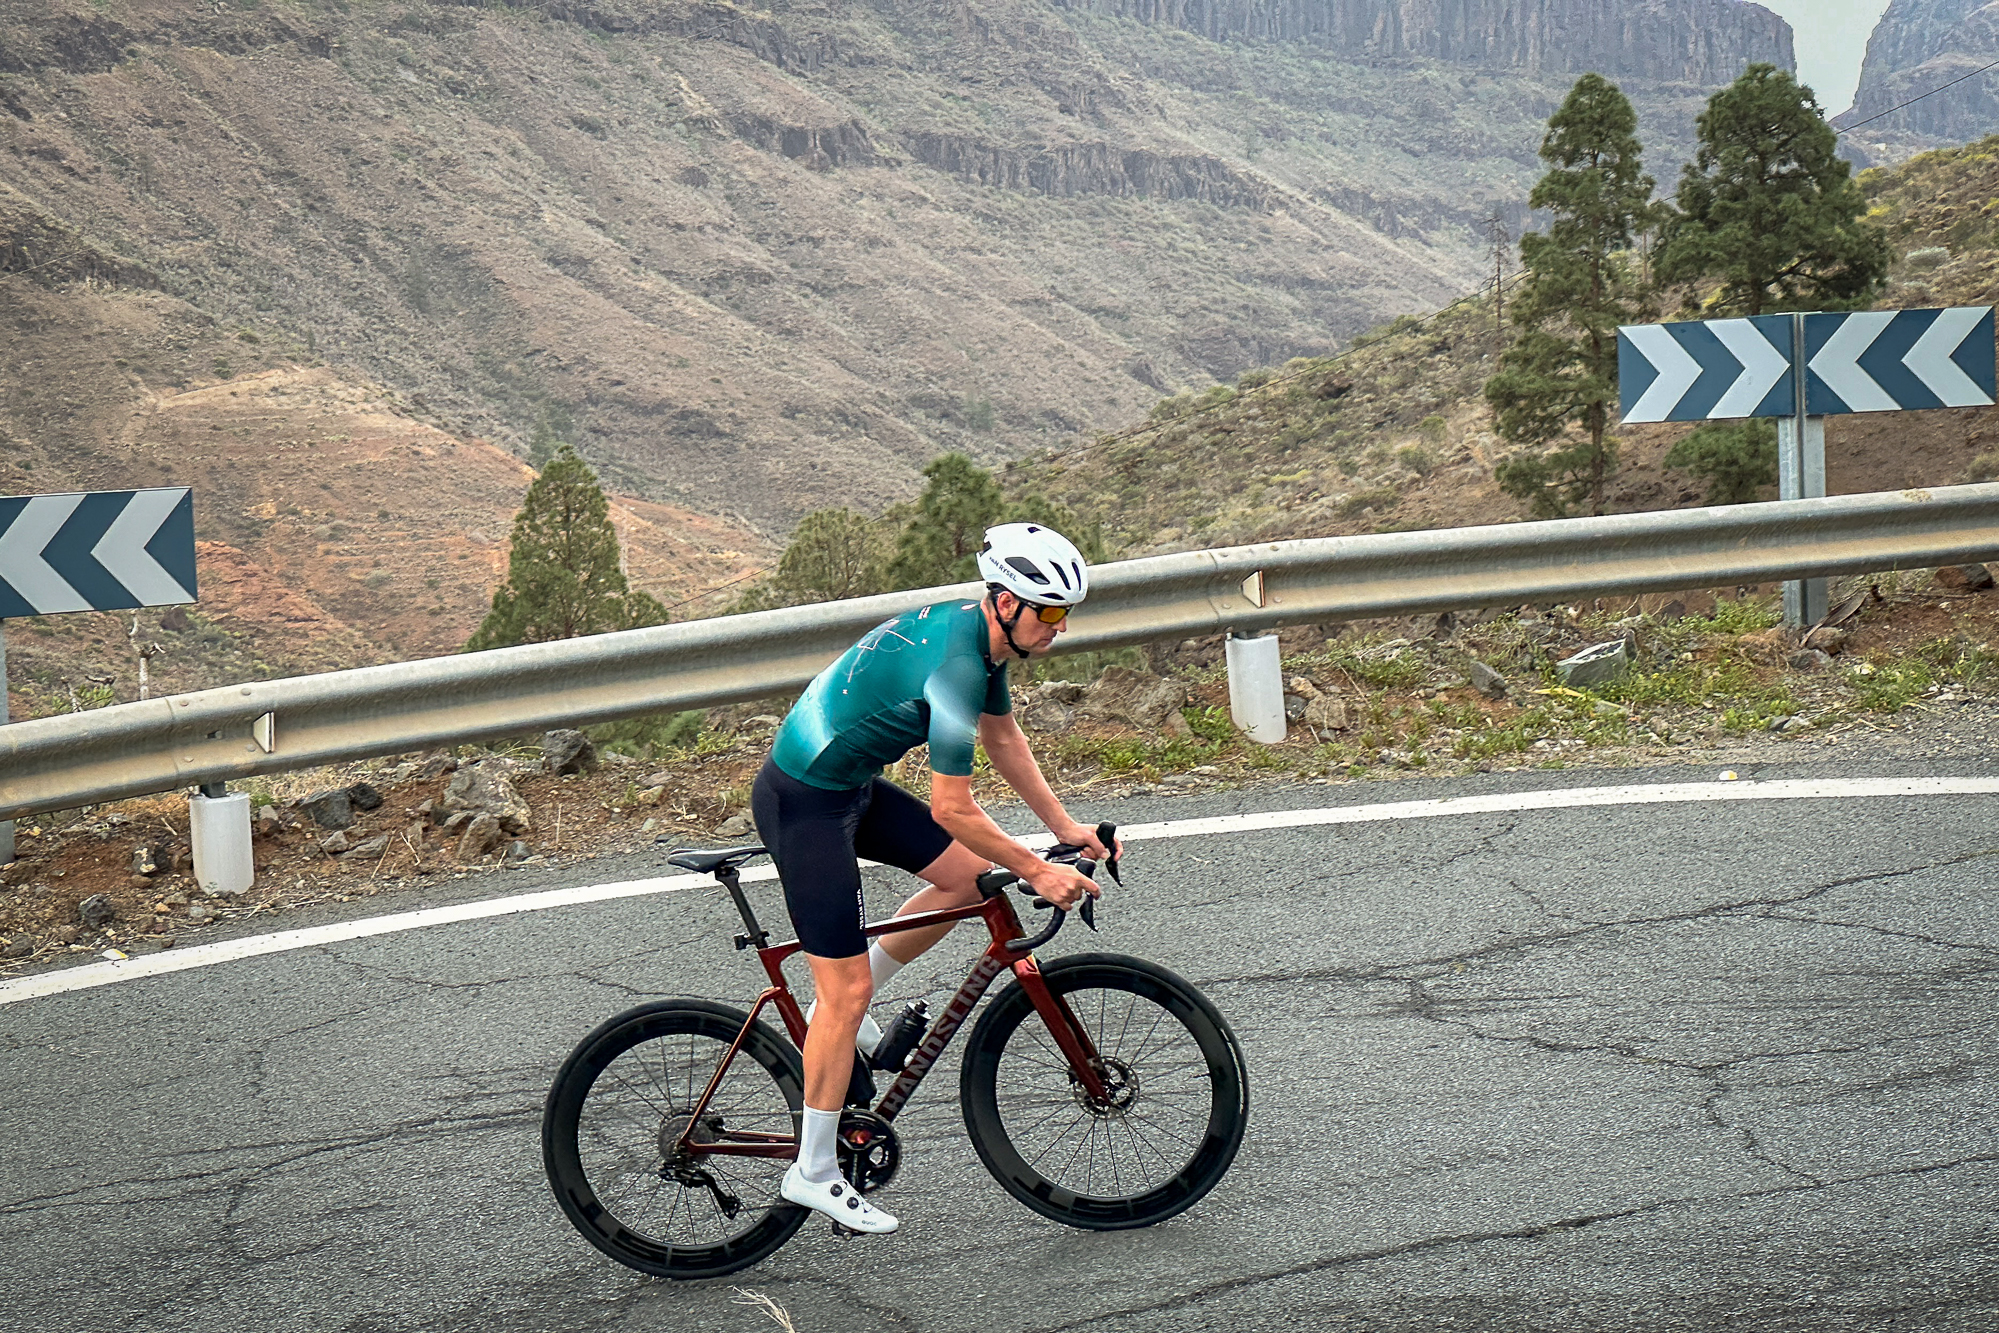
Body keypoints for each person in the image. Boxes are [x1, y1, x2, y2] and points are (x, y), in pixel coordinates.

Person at [749, 522, 1117, 1235]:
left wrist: (1065, 828)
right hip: (804, 804)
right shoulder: (955, 666)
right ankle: (813, 1170)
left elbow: (1003, 736)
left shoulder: (986, 642)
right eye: (1046, 612)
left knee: (967, 882)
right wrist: (1037, 869)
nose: (1057, 627)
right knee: (843, 989)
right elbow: (953, 804)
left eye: (1065, 613)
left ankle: (845, 1029)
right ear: (1005, 601)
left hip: (849, 787)